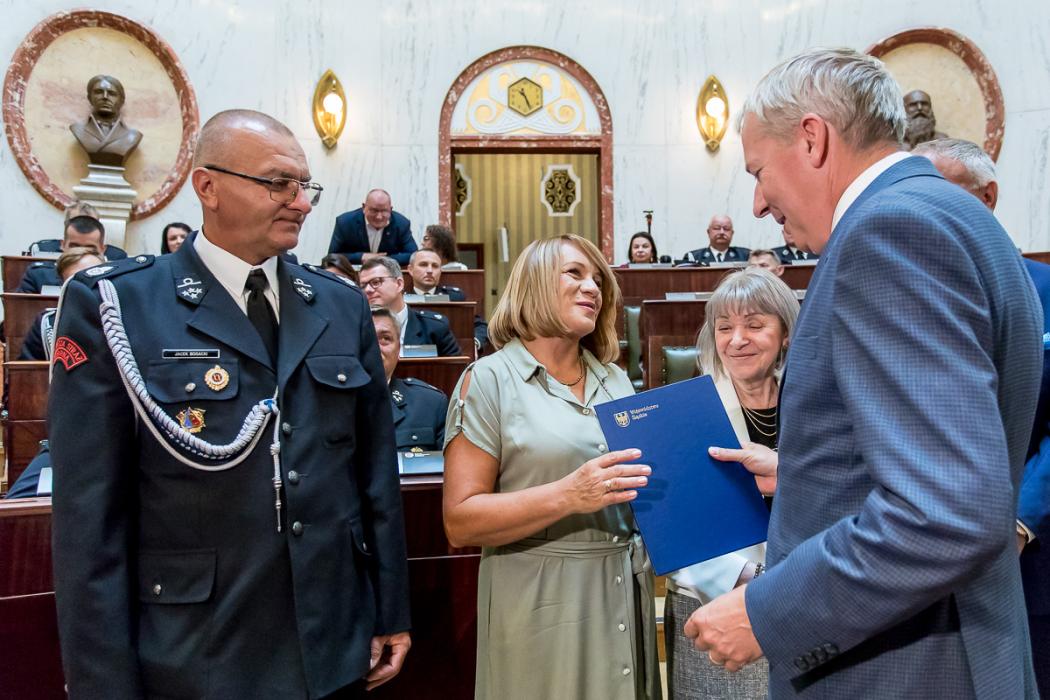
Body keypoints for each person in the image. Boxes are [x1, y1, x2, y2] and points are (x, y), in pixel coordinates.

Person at [686, 48, 1042, 698]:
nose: (759, 203)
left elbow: (945, 512)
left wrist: (765, 612)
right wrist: (803, 476)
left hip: (904, 666)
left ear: (812, 138)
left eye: (759, 171)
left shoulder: (887, 233)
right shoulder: (962, 217)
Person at [49, 109, 411, 698]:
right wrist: (102, 684)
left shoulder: (339, 304)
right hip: (197, 652)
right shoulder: (120, 305)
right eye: (279, 183)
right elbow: (90, 520)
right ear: (208, 187)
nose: (301, 202)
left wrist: (390, 607)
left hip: (331, 640)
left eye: (305, 186)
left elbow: (373, 474)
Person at [443, 234, 659, 700]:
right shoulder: (487, 380)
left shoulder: (615, 378)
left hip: (623, 586)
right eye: (575, 274)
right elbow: (460, 522)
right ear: (536, 283)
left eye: (598, 280)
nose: (593, 287)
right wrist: (568, 495)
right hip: (539, 598)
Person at [914, 136, 1050, 696]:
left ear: (987, 196)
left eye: (939, 192)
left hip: (1029, 553)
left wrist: (1022, 519)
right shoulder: (910, 292)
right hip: (925, 562)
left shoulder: (1044, 289)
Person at [664, 267, 798, 700]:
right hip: (717, 604)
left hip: (807, 598)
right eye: (724, 328)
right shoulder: (686, 411)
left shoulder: (816, 403)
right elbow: (670, 527)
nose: (737, 340)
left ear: (785, 334)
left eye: (754, 325)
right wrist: (752, 579)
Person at [373, 307, 447, 451]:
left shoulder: (431, 404)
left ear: (398, 350)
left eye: (385, 339)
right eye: (367, 338)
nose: (375, 348)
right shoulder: (330, 403)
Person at [359, 256, 460, 356]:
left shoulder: (434, 327)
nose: (368, 290)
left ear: (399, 284)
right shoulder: (356, 327)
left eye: (376, 282)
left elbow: (455, 365)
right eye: (363, 286)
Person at [19, 247, 106, 361]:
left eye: (95, 276)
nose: (89, 286)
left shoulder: (124, 317)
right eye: (78, 281)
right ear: (63, 287)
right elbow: (29, 369)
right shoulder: (48, 324)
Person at [17, 215, 107, 293]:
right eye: (74, 247)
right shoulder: (38, 275)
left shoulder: (113, 279)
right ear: (63, 245)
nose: (81, 253)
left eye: (89, 248)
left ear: (102, 249)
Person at [69, 74, 143, 167]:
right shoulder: (78, 130)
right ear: (89, 98)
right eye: (98, 92)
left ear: (122, 100)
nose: (105, 97)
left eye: (112, 94)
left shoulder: (132, 136)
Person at [329, 189, 417, 265]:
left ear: (390, 209)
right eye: (374, 210)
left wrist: (382, 260)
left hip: (388, 273)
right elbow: (332, 257)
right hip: (352, 274)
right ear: (364, 207)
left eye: (384, 211)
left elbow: (413, 255)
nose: (379, 217)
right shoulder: (345, 222)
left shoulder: (401, 223)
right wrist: (361, 257)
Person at [684, 215, 750, 263]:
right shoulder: (693, 257)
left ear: (732, 233)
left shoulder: (746, 256)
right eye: (717, 228)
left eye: (726, 229)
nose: (722, 232)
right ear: (708, 232)